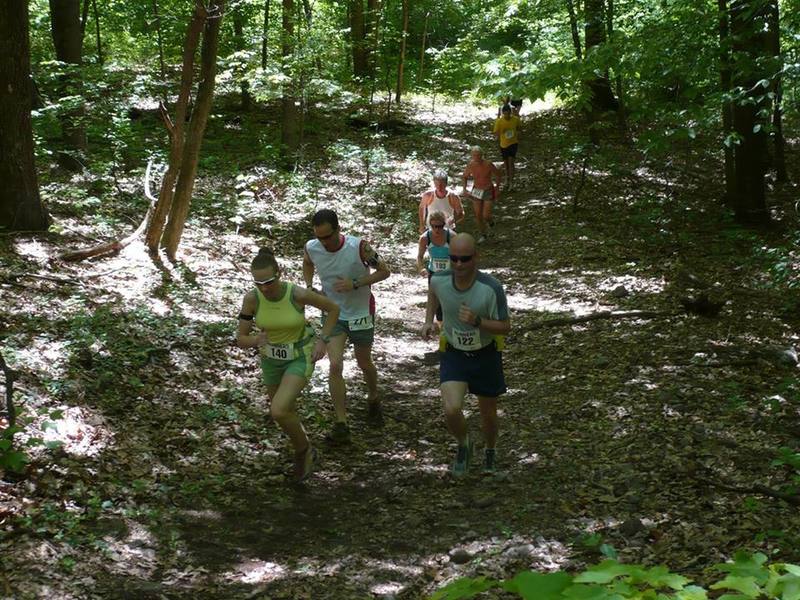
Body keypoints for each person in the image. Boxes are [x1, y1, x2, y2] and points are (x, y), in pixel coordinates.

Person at [237, 248, 341, 483]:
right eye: (259, 282)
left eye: (269, 281)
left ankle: (303, 451)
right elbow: (241, 339)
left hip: (299, 356)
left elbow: (333, 309)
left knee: (279, 409)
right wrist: (255, 340)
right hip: (270, 361)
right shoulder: (252, 299)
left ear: (279, 273)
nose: (264, 287)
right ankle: (305, 452)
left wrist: (323, 340)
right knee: (283, 412)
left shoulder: (297, 294)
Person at [421, 233, 511, 476]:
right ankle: (464, 443)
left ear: (476, 258)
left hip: (485, 355)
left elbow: (505, 326)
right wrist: (429, 321)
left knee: (488, 415)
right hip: (454, 354)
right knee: (451, 409)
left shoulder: (491, 288)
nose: (459, 264)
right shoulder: (439, 280)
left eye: (465, 259)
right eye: (454, 259)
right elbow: (432, 294)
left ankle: (490, 450)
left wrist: (478, 321)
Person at [303, 209, 391, 442]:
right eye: (319, 237)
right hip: (333, 314)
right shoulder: (311, 247)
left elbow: (384, 271)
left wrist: (356, 283)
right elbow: (307, 262)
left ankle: (373, 397)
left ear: (338, 230)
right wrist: (310, 285)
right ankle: (341, 423)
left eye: (327, 237)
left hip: (361, 312)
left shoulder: (360, 247)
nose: (323, 242)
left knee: (364, 362)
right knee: (335, 365)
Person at [416, 210, 453, 325]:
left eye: (440, 226)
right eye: (434, 226)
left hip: (450, 272)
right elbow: (419, 256)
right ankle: (440, 323)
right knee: (435, 298)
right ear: (430, 225)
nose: (437, 229)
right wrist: (421, 268)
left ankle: (449, 322)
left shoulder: (451, 236)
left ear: (444, 224)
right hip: (434, 272)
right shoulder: (425, 238)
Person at [460, 146, 502, 244]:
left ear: (482, 155)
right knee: (478, 215)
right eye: (474, 155)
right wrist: (464, 189)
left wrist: (497, 188)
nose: (476, 157)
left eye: (478, 155)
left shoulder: (488, 164)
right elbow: (464, 177)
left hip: (488, 189)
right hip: (477, 190)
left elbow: (498, 175)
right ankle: (483, 234)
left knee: (486, 215)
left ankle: (491, 223)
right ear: (472, 156)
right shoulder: (471, 165)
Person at [418, 169, 465, 234]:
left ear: (446, 184)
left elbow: (461, 213)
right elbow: (421, 209)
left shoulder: (453, 196)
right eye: (437, 184)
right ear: (434, 183)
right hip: (431, 230)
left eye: (442, 185)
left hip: (448, 230)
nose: (439, 187)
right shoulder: (428, 195)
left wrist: (454, 220)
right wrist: (422, 225)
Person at [493, 104, 521, 191]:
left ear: (510, 112)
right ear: (503, 113)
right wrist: (502, 132)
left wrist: (518, 133)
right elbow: (495, 134)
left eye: (508, 114)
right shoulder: (499, 122)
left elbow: (519, 128)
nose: (507, 116)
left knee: (511, 162)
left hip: (513, 143)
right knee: (506, 164)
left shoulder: (515, 120)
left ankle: (511, 182)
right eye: (505, 114)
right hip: (503, 144)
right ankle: (507, 180)